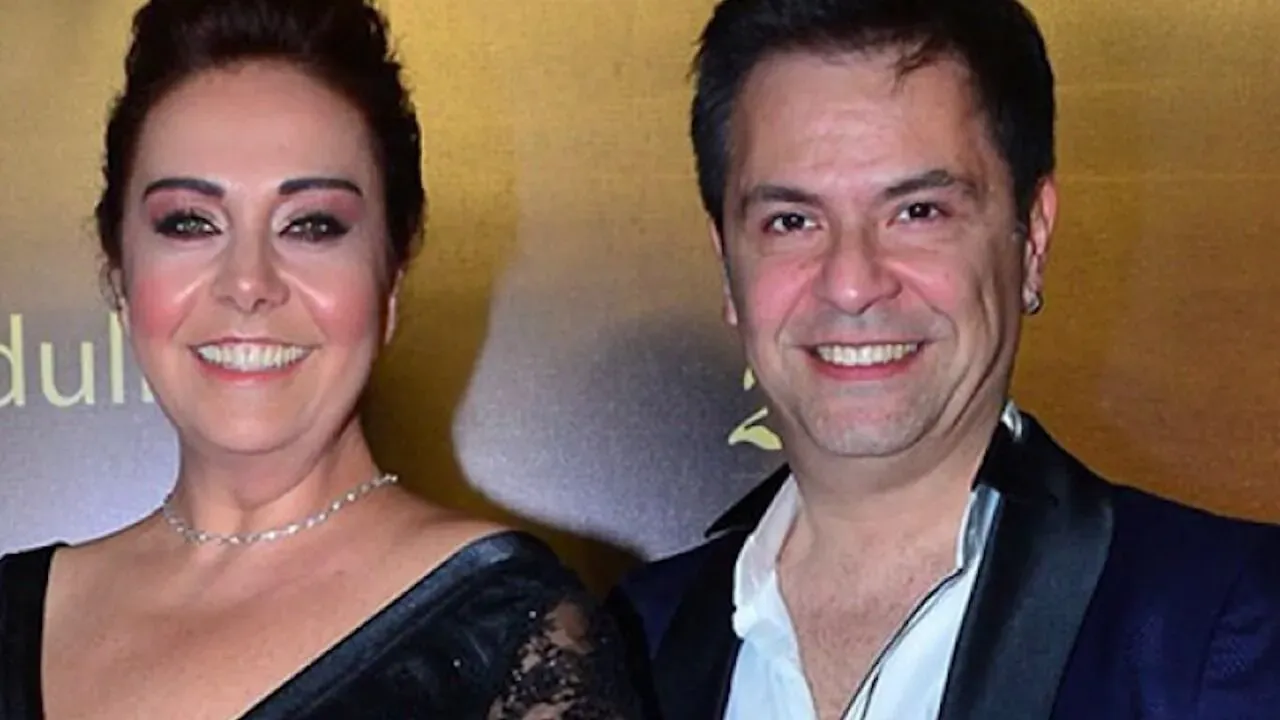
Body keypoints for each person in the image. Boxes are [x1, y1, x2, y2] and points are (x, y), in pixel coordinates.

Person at [610, 0, 1280, 718]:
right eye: (792, 221)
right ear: (727, 265)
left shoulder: (1225, 626)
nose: (852, 284)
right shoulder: (626, 647)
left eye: (918, 212)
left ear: (1031, 240)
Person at [0, 1, 640, 718]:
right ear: (119, 272)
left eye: (310, 226)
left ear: (391, 278)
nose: (248, 283)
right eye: (189, 222)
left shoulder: (510, 630)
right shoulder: (16, 611)